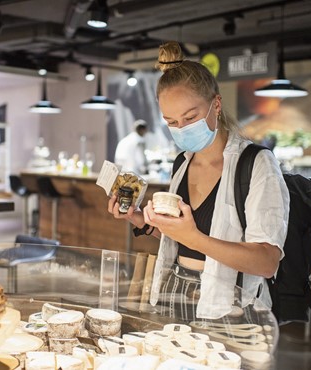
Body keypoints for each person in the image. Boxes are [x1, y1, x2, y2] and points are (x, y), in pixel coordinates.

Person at [107, 41, 289, 321]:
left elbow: (266, 261)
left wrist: (195, 237)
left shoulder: (256, 164)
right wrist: (140, 218)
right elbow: (180, 239)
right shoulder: (183, 163)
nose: (182, 129)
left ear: (216, 104)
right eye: (172, 122)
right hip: (177, 295)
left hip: (232, 306)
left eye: (190, 117)